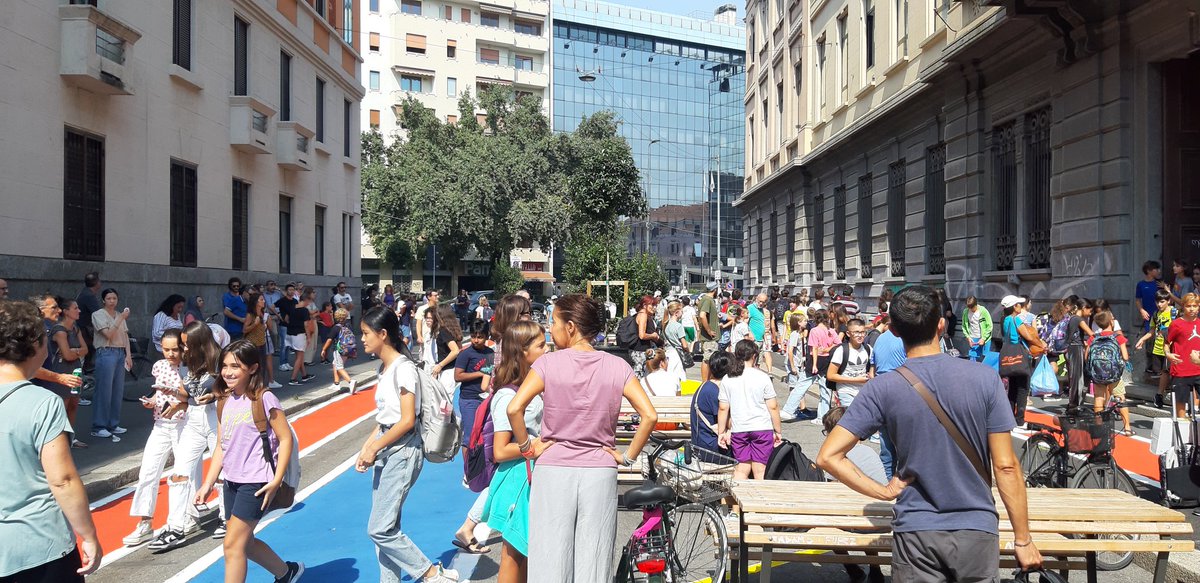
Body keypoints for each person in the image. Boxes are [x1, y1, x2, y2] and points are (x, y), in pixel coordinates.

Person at [817, 285, 1043, 580]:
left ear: (894, 331)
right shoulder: (984, 379)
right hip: (975, 527)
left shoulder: (882, 387)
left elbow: (828, 456)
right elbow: (1006, 466)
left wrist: (882, 491)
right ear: (941, 324)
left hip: (916, 530)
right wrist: (1023, 539)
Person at [506, 294, 657, 582]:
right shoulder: (617, 366)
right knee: (595, 560)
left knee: (550, 558)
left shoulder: (548, 364)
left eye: (554, 322)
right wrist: (627, 457)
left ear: (571, 327)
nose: (551, 328)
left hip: (553, 469)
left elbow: (514, 408)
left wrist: (528, 447)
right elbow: (649, 416)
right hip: (599, 470)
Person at [0, 299, 102, 582]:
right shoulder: (42, 402)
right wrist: (89, 535)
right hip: (39, 541)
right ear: (35, 345)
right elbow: (63, 479)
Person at [356, 307, 460, 582]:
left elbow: (406, 421)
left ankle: (431, 573)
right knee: (387, 527)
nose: (362, 339)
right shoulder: (385, 368)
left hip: (402, 451)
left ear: (383, 334)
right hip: (389, 449)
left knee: (379, 529)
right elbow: (384, 420)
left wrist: (374, 448)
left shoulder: (403, 369)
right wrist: (368, 447)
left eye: (366, 333)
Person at [194, 340, 303, 583]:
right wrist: (208, 483)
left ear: (253, 368)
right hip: (232, 481)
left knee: (232, 546)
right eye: (224, 366)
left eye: (236, 366)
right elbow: (222, 446)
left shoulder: (264, 399)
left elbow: (285, 440)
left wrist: (276, 480)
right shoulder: (224, 400)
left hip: (257, 482)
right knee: (244, 542)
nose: (228, 372)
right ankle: (287, 573)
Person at [149, 321, 224, 550]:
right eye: (183, 345)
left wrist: (214, 396)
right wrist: (172, 397)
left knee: (222, 468)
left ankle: (226, 515)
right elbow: (187, 392)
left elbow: (233, 386)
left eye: (186, 344)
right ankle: (175, 528)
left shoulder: (221, 359)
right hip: (193, 416)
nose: (184, 350)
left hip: (216, 416)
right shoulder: (189, 362)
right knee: (179, 472)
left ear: (200, 342)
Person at [482, 320, 547, 583]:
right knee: (513, 552)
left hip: (528, 476)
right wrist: (534, 446)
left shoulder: (528, 387)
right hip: (517, 480)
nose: (547, 350)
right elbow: (500, 450)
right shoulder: (508, 396)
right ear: (522, 351)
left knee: (525, 551)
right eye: (541, 345)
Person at [124, 329, 188, 546]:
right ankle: (144, 523)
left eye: (175, 349)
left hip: (183, 424)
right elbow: (159, 392)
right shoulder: (159, 366)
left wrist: (174, 394)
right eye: (165, 349)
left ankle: (180, 520)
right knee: (148, 472)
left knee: (182, 474)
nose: (170, 354)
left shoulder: (189, 367)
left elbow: (190, 396)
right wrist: (151, 400)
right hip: (161, 423)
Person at [451, 320, 495, 555]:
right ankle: (469, 471)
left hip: (483, 398)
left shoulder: (490, 353)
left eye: (480, 336)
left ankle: (479, 468)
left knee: (483, 439)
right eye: (474, 336)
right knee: (470, 437)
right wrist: (478, 373)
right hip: (468, 399)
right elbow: (458, 377)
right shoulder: (465, 354)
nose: (476, 340)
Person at [716, 340, 783, 480]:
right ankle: (760, 500)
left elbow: (723, 408)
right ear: (754, 356)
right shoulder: (762, 377)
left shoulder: (728, 378)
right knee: (761, 470)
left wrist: (721, 432)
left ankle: (738, 500)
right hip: (762, 428)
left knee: (741, 469)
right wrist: (777, 430)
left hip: (739, 428)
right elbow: (773, 406)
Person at [999, 296, 1047, 427]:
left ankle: (1008, 417)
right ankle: (1019, 419)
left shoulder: (1005, 320)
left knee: (1012, 388)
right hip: (1020, 356)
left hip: (1009, 357)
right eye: (1019, 304)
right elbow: (1028, 336)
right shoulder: (1016, 319)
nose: (1021, 306)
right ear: (1014, 307)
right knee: (1022, 388)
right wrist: (1041, 345)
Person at [90, 288, 131, 442]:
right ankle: (99, 426)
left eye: (114, 298)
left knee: (117, 390)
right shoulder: (98, 315)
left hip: (119, 352)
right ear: (103, 300)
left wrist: (128, 355)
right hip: (106, 352)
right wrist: (120, 318)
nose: (112, 301)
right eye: (109, 298)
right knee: (104, 390)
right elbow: (108, 334)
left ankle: (113, 423)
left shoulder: (120, 315)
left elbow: (125, 335)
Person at [49, 299, 89, 446]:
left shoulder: (75, 328)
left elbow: (86, 349)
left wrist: (75, 352)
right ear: (66, 311)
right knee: (62, 406)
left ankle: (70, 438)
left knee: (74, 404)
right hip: (62, 370)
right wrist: (77, 352)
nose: (78, 311)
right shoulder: (59, 330)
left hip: (76, 369)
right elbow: (67, 355)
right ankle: (57, 440)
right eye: (75, 308)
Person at [1088, 311, 1133, 435]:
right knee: (1120, 398)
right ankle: (1127, 428)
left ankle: (1098, 426)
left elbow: (1087, 356)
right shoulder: (1118, 337)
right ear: (1111, 322)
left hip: (1097, 374)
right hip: (1114, 375)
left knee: (1098, 398)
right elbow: (1125, 356)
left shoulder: (1093, 338)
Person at [1135, 289, 1177, 410]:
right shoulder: (1155, 314)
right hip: (1158, 347)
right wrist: (1142, 340)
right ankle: (1159, 394)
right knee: (1163, 371)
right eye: (1157, 302)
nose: (1159, 304)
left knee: (1168, 370)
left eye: (1162, 301)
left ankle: (1166, 394)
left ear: (1168, 301)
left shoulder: (1174, 313)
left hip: (1172, 348)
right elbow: (1152, 331)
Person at [689, 351, 734, 460]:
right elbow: (731, 423)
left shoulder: (707, 386)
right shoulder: (714, 392)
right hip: (711, 448)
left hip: (702, 444)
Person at [1165, 293, 1200, 419]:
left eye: (1194, 306)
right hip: (1181, 371)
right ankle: (1183, 435)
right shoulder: (1176, 324)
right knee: (1181, 410)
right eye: (1188, 306)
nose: (1191, 309)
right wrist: (1168, 354)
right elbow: (1166, 343)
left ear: (1198, 307)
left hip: (1198, 370)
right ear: (1183, 307)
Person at [827, 318, 875, 409]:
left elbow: (872, 368)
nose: (860, 335)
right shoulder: (841, 350)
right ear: (848, 334)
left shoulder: (868, 349)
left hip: (863, 392)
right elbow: (831, 375)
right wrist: (856, 380)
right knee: (850, 418)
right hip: (845, 391)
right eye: (856, 332)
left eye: (862, 332)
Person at [807, 308, 840, 423]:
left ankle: (789, 409)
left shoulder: (814, 330)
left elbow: (814, 347)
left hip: (817, 358)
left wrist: (814, 364)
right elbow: (838, 343)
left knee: (803, 385)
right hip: (828, 359)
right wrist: (829, 348)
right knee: (825, 389)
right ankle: (823, 416)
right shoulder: (831, 330)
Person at [780, 312, 813, 421]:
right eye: (804, 321)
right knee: (794, 387)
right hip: (794, 364)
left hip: (799, 363)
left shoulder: (800, 334)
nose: (806, 322)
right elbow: (790, 351)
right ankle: (793, 409)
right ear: (798, 323)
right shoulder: (794, 334)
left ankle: (801, 408)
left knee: (799, 386)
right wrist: (793, 366)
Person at [1064, 297, 1095, 411]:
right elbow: (1091, 333)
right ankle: (1075, 405)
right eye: (1090, 310)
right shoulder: (1078, 319)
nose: (1090, 314)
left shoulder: (1072, 318)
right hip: (1076, 349)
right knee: (1077, 378)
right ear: (1083, 308)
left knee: (1073, 378)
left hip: (1071, 348)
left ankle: (1073, 404)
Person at [1136, 260, 1165, 369]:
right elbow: (1138, 299)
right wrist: (1141, 310)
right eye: (1156, 269)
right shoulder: (1141, 284)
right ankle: (1150, 367)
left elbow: (1167, 297)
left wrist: (1165, 288)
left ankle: (1159, 367)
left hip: (1161, 316)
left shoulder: (1159, 283)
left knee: (1160, 339)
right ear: (1148, 271)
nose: (1158, 271)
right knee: (1149, 341)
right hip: (1149, 317)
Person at [321, 308, 358, 393]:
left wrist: (324, 349)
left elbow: (330, 339)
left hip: (339, 349)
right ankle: (336, 383)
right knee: (335, 363)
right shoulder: (348, 325)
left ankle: (350, 381)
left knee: (339, 366)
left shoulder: (336, 328)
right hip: (348, 348)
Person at [431, 305, 464, 391]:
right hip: (455, 369)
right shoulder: (453, 329)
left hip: (447, 371)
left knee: (446, 399)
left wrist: (439, 365)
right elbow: (460, 348)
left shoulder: (444, 331)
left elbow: (455, 351)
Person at [286, 289, 314, 386]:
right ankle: (293, 378)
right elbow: (306, 325)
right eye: (309, 301)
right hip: (300, 334)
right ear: (306, 300)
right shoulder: (304, 311)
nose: (308, 304)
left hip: (290, 333)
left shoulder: (292, 307)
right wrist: (309, 337)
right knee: (299, 356)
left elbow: (286, 319)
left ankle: (304, 375)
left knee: (299, 355)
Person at [76, 272, 102, 374]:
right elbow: (97, 314)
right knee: (91, 348)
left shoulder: (84, 292)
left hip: (83, 328)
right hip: (84, 330)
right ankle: (86, 371)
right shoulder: (89, 296)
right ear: (96, 283)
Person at [696, 282, 721, 382]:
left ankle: (706, 381)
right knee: (708, 359)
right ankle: (705, 382)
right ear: (715, 290)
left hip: (708, 337)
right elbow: (702, 315)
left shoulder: (705, 299)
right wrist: (709, 330)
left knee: (709, 358)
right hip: (709, 338)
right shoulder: (708, 300)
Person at [631, 295, 661, 378]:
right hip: (639, 351)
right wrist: (653, 336)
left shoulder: (640, 314)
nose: (654, 308)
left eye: (655, 305)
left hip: (639, 350)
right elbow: (642, 335)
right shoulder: (643, 315)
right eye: (652, 305)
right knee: (639, 375)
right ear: (645, 305)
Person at [151, 294, 187, 359]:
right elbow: (157, 333)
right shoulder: (161, 315)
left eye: (182, 307)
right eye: (178, 307)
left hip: (177, 348)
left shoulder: (178, 315)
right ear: (172, 305)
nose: (180, 310)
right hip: (163, 350)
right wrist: (174, 336)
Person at [661, 300, 688, 382]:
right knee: (677, 377)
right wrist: (688, 351)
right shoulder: (679, 326)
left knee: (669, 376)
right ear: (676, 312)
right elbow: (684, 345)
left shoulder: (665, 324)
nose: (682, 313)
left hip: (668, 353)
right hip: (677, 354)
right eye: (681, 311)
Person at [961, 296, 993, 362]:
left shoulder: (983, 311)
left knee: (985, 359)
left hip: (984, 339)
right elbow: (964, 326)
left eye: (972, 308)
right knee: (973, 359)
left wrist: (983, 338)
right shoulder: (966, 312)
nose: (971, 310)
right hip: (973, 338)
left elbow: (989, 326)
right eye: (969, 308)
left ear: (976, 304)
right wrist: (968, 338)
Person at [747, 293, 773, 373]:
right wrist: (749, 332)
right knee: (751, 362)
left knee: (758, 363)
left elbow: (763, 325)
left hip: (761, 340)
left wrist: (765, 339)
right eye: (760, 301)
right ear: (756, 299)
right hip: (753, 340)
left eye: (764, 302)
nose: (761, 303)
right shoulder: (750, 308)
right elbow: (744, 322)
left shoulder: (762, 310)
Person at [275, 283, 298, 373]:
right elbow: (272, 307)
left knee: (288, 344)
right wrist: (278, 315)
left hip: (291, 324)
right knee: (283, 344)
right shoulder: (282, 300)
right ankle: (281, 363)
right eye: (290, 290)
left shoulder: (295, 301)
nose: (291, 291)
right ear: (286, 291)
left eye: (293, 290)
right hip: (283, 324)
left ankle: (286, 362)